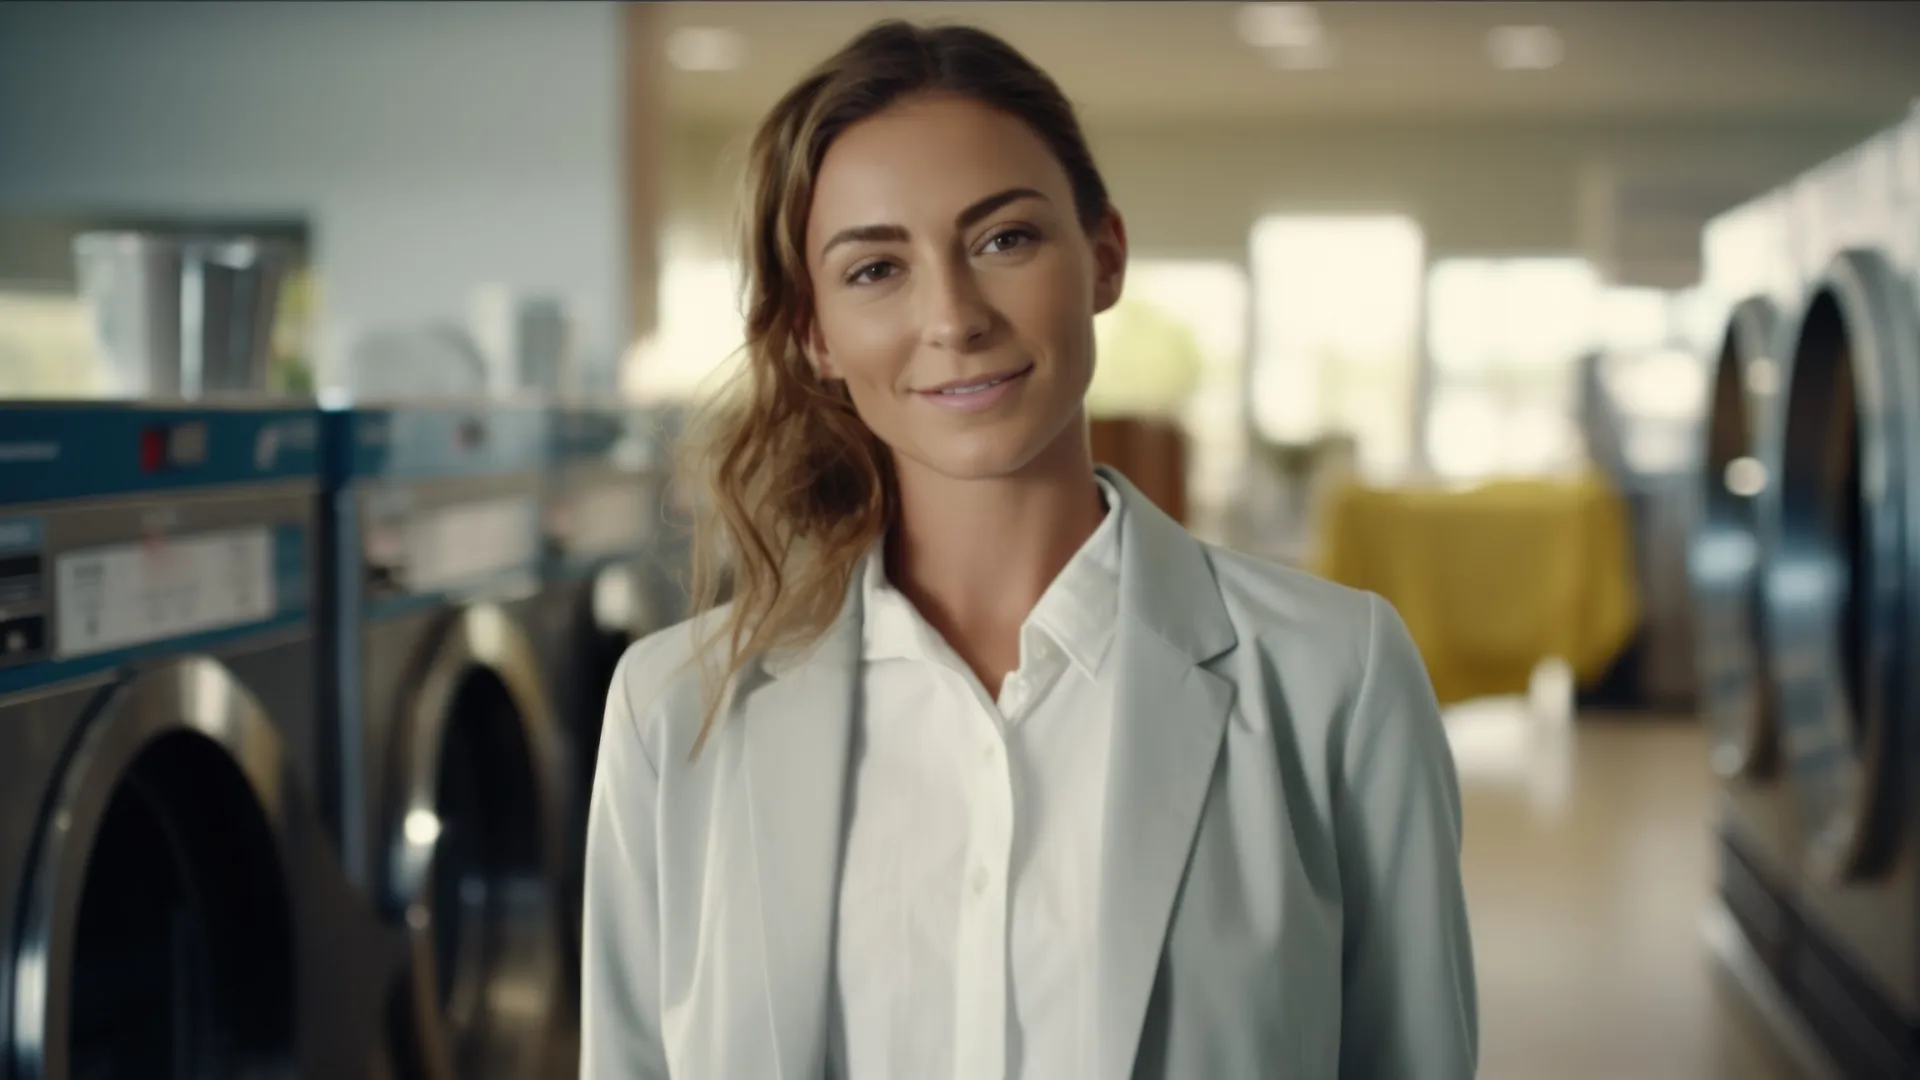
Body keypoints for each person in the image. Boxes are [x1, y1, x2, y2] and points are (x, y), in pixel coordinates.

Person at [581, 19, 1477, 1080]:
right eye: (874, 268)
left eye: (1004, 240)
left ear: (1103, 258)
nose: (953, 317)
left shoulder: (1336, 676)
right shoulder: (674, 711)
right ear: (814, 333)